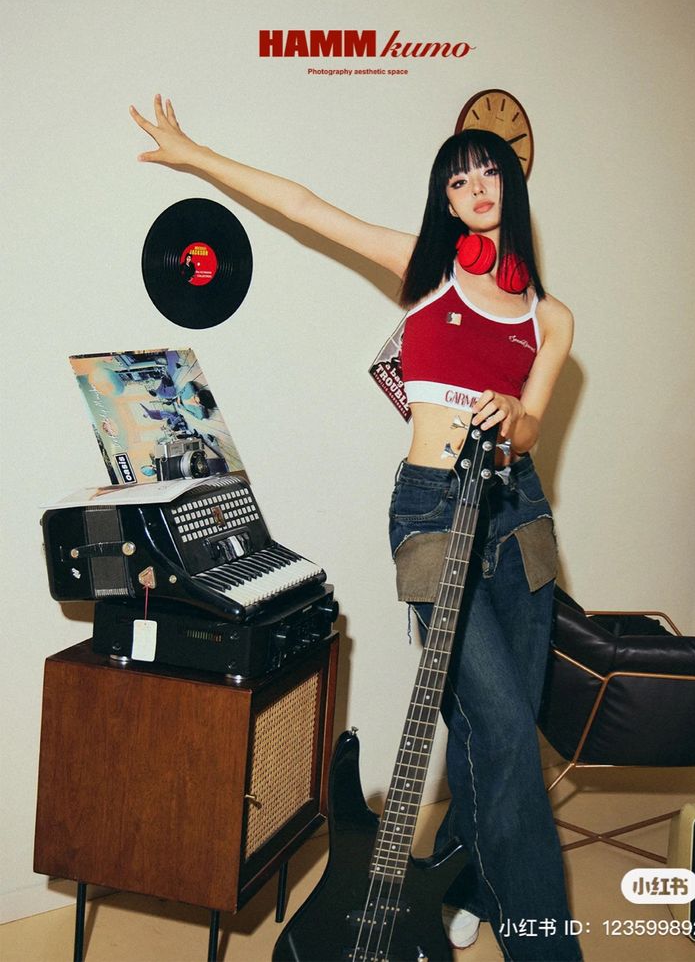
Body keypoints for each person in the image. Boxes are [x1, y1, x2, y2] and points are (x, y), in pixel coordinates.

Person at [131, 95, 581, 961]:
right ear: (447, 204)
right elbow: (304, 206)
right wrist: (195, 155)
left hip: (517, 514)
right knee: (499, 731)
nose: (476, 184)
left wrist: (511, 418)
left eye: (489, 170)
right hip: (432, 510)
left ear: (510, 185)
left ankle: (467, 878)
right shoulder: (428, 271)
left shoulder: (550, 317)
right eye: (460, 178)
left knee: (505, 728)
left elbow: (530, 425)